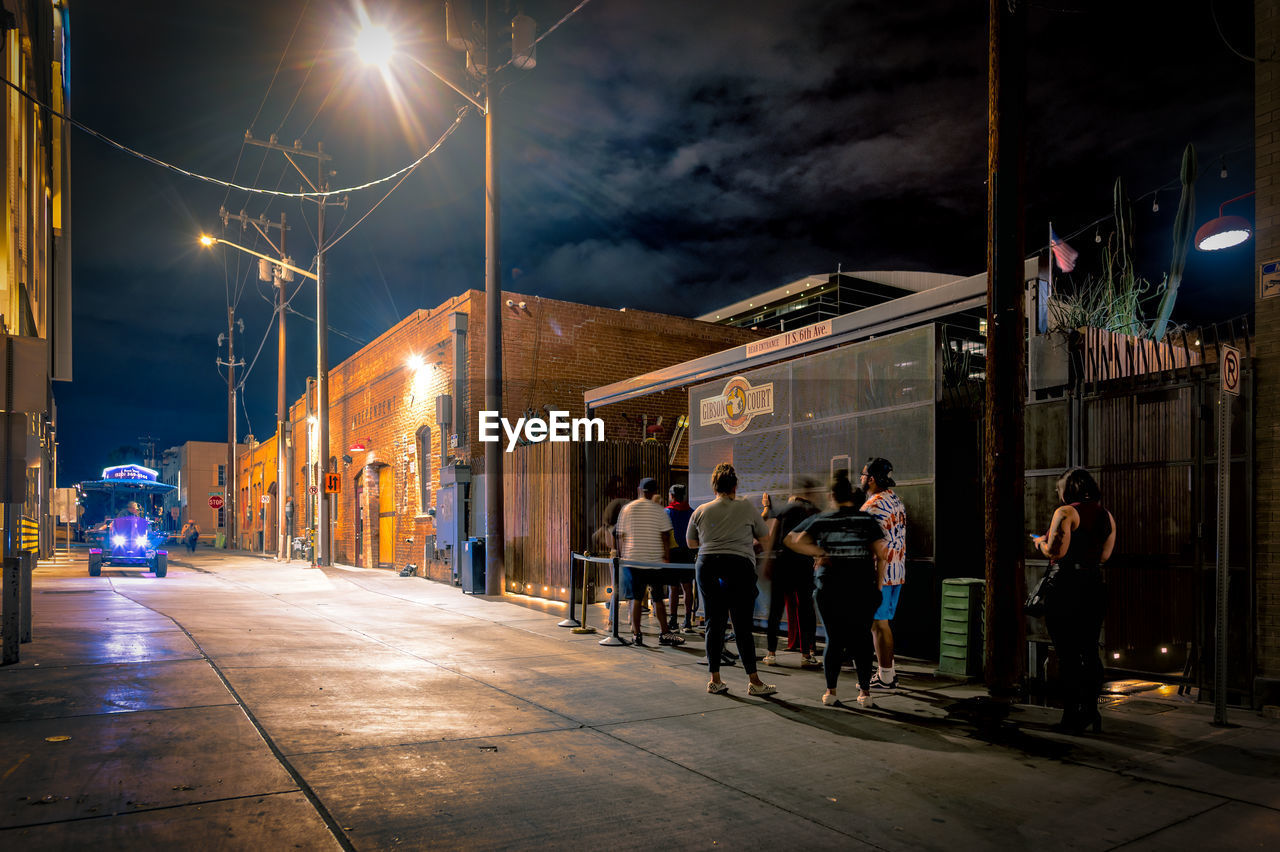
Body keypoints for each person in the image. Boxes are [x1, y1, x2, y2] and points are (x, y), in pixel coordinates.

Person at [786, 471, 887, 708]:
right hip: (862, 588)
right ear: (852, 495)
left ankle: (831, 692)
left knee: (834, 639)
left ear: (831, 495)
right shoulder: (866, 521)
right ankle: (865, 694)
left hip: (829, 588)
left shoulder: (823, 519)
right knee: (863, 640)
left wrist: (819, 553)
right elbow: (882, 554)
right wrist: (878, 586)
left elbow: (792, 539)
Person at [1032, 467, 1116, 734]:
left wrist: (1040, 543)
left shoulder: (1065, 513)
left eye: (1060, 489)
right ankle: (1091, 712)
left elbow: (1057, 551)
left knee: (1067, 653)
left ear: (1070, 489)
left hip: (1067, 586)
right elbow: (1104, 556)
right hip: (1094, 585)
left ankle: (1071, 716)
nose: (1058, 494)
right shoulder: (1107, 516)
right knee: (1089, 650)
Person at [686, 463, 776, 697]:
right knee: (742, 625)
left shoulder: (701, 510)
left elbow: (691, 543)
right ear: (735, 485)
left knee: (713, 624)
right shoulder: (745, 506)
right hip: (739, 566)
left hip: (707, 565)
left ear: (714, 486)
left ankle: (715, 679)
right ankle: (754, 682)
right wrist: (748, 545)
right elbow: (765, 538)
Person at [615, 478, 685, 647]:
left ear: (640, 489)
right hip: (654, 560)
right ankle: (664, 632)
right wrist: (666, 557)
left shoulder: (628, 508)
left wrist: (622, 554)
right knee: (658, 598)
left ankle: (637, 634)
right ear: (655, 491)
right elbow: (665, 536)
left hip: (633, 559)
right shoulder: (659, 510)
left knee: (636, 599)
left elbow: (620, 535)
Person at [762, 477, 821, 667]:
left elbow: (773, 537)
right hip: (803, 562)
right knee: (805, 608)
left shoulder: (785, 509)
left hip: (782, 562)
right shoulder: (813, 511)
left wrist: (767, 562)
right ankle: (806, 655)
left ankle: (771, 653)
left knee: (776, 609)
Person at [861, 457, 907, 690]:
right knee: (883, 623)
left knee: (878, 625)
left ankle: (886, 675)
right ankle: (888, 670)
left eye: (862, 474)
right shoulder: (896, 500)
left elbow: (863, 540)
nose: (860, 478)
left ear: (870, 479)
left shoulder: (872, 505)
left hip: (880, 574)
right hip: (897, 570)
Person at [665, 484, 697, 633]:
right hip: (688, 552)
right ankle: (687, 621)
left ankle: (672, 620)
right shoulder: (691, 512)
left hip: (673, 552)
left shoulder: (667, 512)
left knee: (673, 588)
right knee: (687, 587)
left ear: (672, 496)